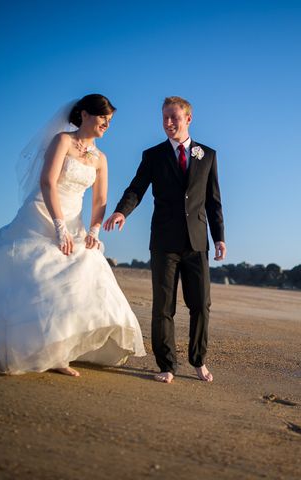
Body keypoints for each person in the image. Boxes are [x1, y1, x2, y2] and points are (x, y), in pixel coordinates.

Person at [0, 94, 146, 376]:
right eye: (102, 117)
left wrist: (94, 230)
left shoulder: (100, 158)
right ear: (84, 115)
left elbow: (100, 200)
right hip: (44, 213)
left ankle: (58, 352)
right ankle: (13, 343)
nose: (107, 124)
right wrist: (58, 226)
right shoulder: (62, 141)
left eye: (110, 120)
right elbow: (47, 181)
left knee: (83, 270)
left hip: (76, 222)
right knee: (37, 270)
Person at [104, 96, 225, 384]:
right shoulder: (153, 155)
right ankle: (167, 365)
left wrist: (219, 237)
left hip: (197, 242)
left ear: (188, 119)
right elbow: (137, 188)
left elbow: (213, 201)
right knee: (163, 307)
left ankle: (198, 360)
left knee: (200, 305)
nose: (168, 123)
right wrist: (122, 211)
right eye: (164, 118)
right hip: (164, 242)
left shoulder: (207, 155)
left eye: (174, 117)